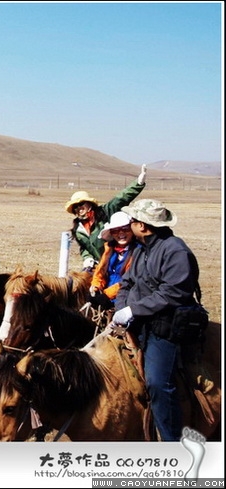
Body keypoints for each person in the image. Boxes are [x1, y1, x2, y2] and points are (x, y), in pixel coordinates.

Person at [113, 199, 201, 441]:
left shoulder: (176, 251)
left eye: (132, 221)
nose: (129, 225)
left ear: (142, 225)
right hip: (138, 322)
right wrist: (121, 310)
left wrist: (133, 310)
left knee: (158, 383)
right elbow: (127, 283)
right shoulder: (141, 249)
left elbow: (173, 293)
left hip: (167, 326)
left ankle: (172, 443)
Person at [65, 164, 147, 272]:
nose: (78, 208)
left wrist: (138, 184)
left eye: (81, 204)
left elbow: (120, 199)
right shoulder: (78, 228)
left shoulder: (104, 212)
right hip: (99, 265)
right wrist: (87, 258)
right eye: (75, 206)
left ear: (89, 203)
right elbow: (84, 247)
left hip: (117, 262)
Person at [88, 211, 137, 310]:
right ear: (111, 233)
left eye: (125, 229)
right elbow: (100, 271)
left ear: (132, 230)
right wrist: (96, 287)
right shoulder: (109, 249)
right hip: (105, 297)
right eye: (115, 230)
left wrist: (107, 295)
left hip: (127, 300)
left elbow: (130, 281)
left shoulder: (138, 251)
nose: (121, 233)